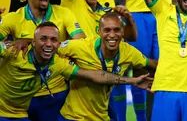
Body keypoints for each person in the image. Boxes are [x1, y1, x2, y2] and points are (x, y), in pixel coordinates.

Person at [0, 21, 152, 121]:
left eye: (53, 40)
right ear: (33, 42)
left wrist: (132, 80)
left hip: (18, 114)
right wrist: (21, 40)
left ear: (58, 44)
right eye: (43, 39)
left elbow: (95, 76)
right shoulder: (14, 51)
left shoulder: (59, 64)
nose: (49, 44)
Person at [0, 0, 85, 121]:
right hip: (21, 98)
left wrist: (27, 42)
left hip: (54, 94)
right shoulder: (13, 19)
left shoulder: (63, 14)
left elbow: (81, 43)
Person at [57, 12, 157, 121]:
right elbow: (50, 49)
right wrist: (62, 65)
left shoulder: (129, 52)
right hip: (73, 117)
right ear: (99, 32)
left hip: (101, 116)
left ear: (123, 31)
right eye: (107, 30)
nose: (112, 35)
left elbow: (153, 64)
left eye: (117, 30)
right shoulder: (81, 46)